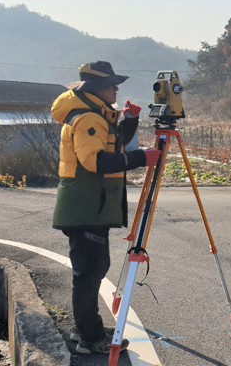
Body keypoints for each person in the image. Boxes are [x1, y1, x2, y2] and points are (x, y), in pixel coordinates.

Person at [50, 61, 160, 354]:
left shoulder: (93, 115)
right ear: (98, 88)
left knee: (93, 267)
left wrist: (130, 121)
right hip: (86, 207)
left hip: (88, 205)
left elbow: (112, 143)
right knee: (89, 271)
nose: (116, 89)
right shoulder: (88, 119)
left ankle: (84, 327)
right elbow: (95, 161)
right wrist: (141, 159)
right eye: (113, 84)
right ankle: (90, 336)